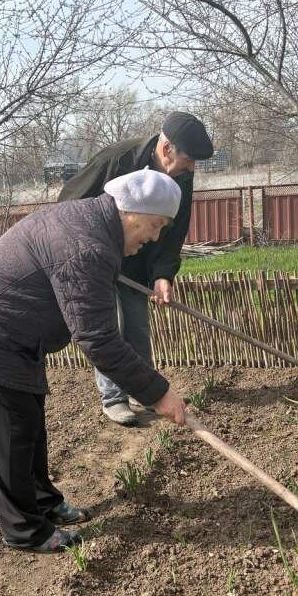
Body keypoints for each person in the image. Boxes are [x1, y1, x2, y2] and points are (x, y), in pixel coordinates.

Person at [0, 169, 187, 554]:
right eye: (155, 226)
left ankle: (44, 503)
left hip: (15, 335)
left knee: (30, 422)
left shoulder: (92, 225)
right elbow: (98, 339)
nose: (154, 238)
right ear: (132, 212)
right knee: (13, 431)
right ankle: (24, 530)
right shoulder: (88, 245)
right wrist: (159, 393)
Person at [58, 111, 214, 427]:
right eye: (189, 160)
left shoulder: (181, 174)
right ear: (167, 148)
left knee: (138, 326)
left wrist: (163, 274)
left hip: (137, 259)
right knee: (110, 325)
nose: (192, 168)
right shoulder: (117, 159)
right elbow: (69, 203)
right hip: (97, 258)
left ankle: (142, 392)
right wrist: (88, 250)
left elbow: (176, 228)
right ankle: (114, 398)